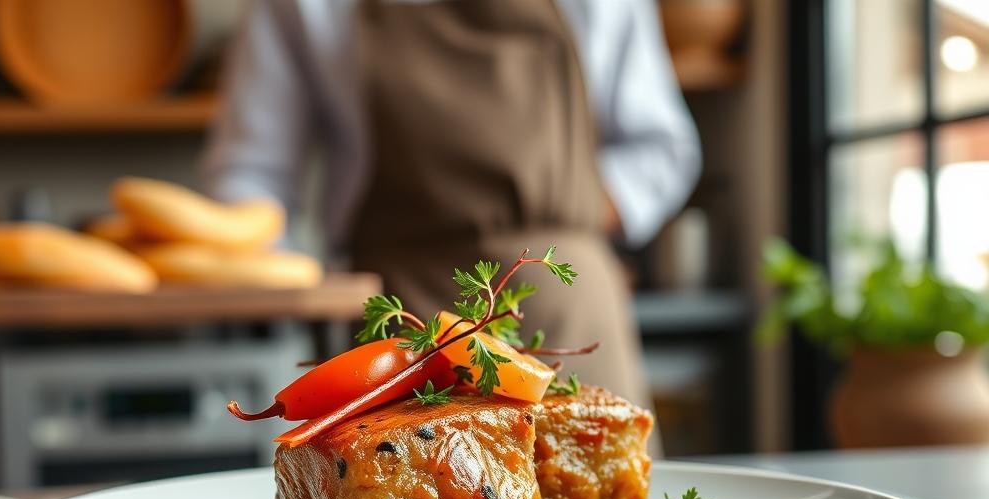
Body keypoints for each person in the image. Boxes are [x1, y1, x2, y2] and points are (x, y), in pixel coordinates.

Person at [202, 0, 700, 408]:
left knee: (599, 498)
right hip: (400, 326)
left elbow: (661, 149)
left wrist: (570, 211)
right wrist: (292, 280)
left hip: (567, 308)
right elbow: (249, 172)